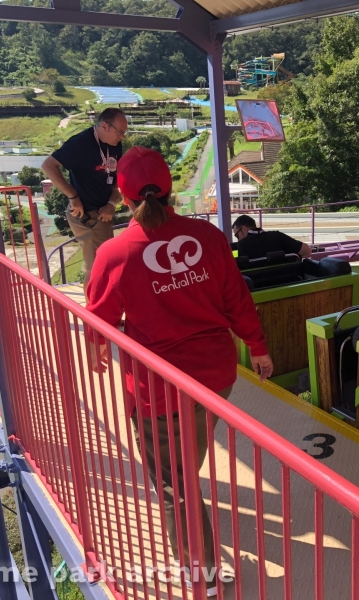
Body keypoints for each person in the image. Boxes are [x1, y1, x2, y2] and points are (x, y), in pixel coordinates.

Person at [86, 147, 274, 595]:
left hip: (159, 389)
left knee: (175, 487)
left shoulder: (115, 253)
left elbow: (99, 316)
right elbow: (237, 298)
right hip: (216, 375)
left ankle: (203, 578)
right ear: (170, 190)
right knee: (189, 457)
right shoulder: (208, 237)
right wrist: (259, 348)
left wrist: (96, 349)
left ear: (124, 196)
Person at [42, 107, 127, 291]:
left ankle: (96, 311)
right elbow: (48, 165)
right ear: (105, 126)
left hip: (103, 211)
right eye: (120, 132)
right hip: (87, 214)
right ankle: (94, 315)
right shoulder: (81, 143)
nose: (122, 137)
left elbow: (113, 179)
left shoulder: (113, 143)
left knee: (103, 264)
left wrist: (112, 203)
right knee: (98, 266)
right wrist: (72, 196)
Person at [232, 214, 312, 259]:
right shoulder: (277, 236)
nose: (238, 239)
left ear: (244, 229)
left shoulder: (242, 245)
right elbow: (307, 251)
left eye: (237, 235)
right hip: (288, 281)